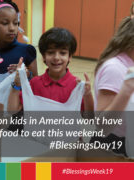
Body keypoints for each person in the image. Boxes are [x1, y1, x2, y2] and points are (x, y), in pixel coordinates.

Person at [8, 27, 94, 113]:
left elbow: (89, 117)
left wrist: (88, 94)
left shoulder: (76, 86)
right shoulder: (34, 83)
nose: (56, 58)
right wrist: (16, 85)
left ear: (70, 57)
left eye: (62, 53)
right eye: (51, 52)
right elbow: (12, 110)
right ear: (44, 57)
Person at [92, 16, 134, 156]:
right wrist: (126, 90)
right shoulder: (115, 68)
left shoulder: (129, 63)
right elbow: (103, 125)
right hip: (112, 146)